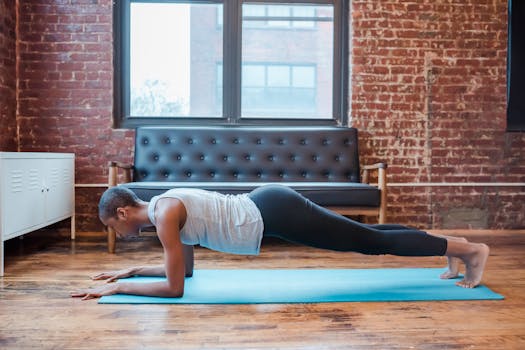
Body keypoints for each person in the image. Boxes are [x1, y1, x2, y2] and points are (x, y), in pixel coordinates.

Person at [71, 185, 489, 300]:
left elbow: (176, 288)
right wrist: (131, 270)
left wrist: (119, 288)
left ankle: (469, 252)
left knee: (369, 241)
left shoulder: (165, 217)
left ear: (123, 212)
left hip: (275, 212)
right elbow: (187, 270)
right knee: (368, 237)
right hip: (271, 207)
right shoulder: (165, 209)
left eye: (112, 226)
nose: (116, 234)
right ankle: (453, 246)